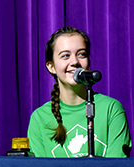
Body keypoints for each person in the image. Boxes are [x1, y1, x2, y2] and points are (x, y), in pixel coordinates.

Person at [28, 26, 131, 158]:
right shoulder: (39, 118)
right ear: (51, 66)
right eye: (65, 56)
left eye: (81, 54)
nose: (75, 62)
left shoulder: (111, 109)